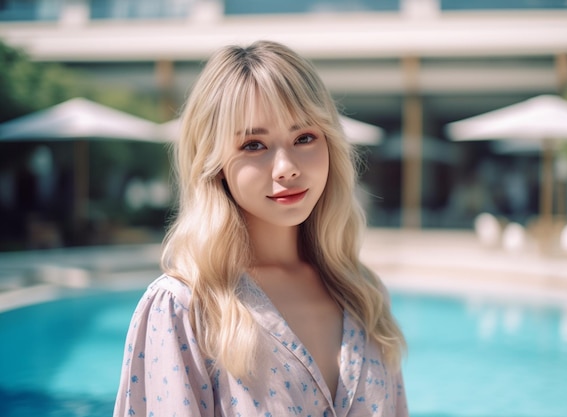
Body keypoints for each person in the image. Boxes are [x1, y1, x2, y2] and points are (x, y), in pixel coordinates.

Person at [114, 40, 408, 417]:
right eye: (254, 145)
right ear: (215, 163)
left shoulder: (364, 294)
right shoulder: (185, 308)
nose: (286, 166)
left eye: (304, 137)